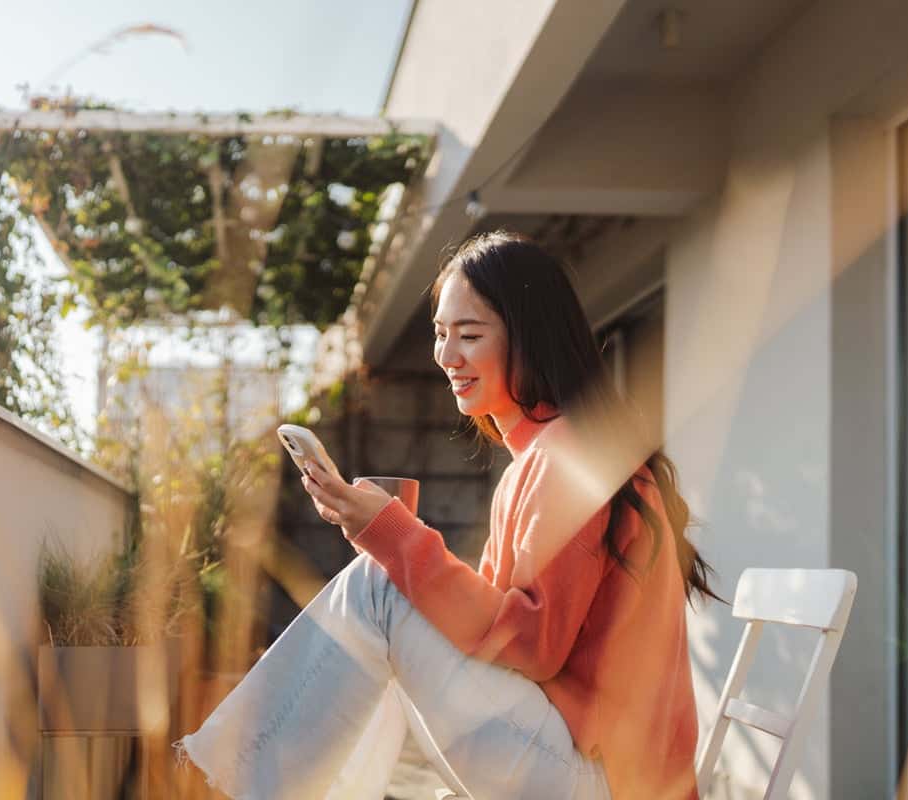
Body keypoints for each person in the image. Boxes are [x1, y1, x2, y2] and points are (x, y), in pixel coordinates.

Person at [177, 230, 718, 799]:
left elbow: (531, 645)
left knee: (379, 590)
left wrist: (392, 536)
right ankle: (254, 784)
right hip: (591, 764)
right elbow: (505, 628)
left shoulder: (570, 458)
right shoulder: (555, 454)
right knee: (388, 591)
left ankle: (230, 785)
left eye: (469, 334)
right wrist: (386, 537)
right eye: (440, 334)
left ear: (529, 339)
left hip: (605, 782)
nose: (446, 355)